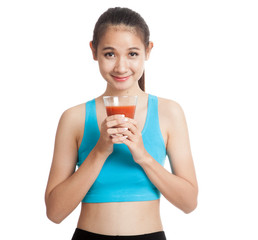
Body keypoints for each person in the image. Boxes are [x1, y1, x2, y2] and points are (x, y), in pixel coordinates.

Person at [45, 7, 198, 240]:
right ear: (94, 51)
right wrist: (99, 151)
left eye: (133, 54)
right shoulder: (74, 118)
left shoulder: (169, 113)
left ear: (148, 51)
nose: (121, 67)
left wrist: (143, 156)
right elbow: (55, 213)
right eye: (110, 54)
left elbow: (189, 203)